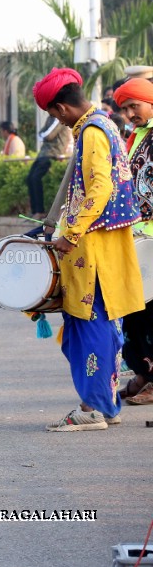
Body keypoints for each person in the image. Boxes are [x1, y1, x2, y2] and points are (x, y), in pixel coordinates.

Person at [34, 68, 142, 431]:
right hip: (104, 246)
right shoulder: (106, 124)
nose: (59, 122)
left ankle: (93, 409)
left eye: (54, 116)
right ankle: (104, 404)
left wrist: (72, 233)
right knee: (100, 325)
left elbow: (100, 188)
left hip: (91, 249)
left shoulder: (93, 132)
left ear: (62, 109)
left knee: (90, 323)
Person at [111, 78, 153, 405]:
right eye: (124, 109)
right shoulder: (137, 136)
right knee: (135, 310)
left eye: (133, 106)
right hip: (137, 233)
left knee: (151, 312)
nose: (128, 114)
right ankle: (142, 371)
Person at [28, 113, 71, 217]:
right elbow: (41, 134)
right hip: (43, 153)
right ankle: (34, 211)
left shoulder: (59, 117)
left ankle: (40, 211)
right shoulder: (50, 117)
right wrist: (43, 136)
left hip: (53, 153)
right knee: (29, 178)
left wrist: (43, 136)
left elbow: (48, 135)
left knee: (35, 178)